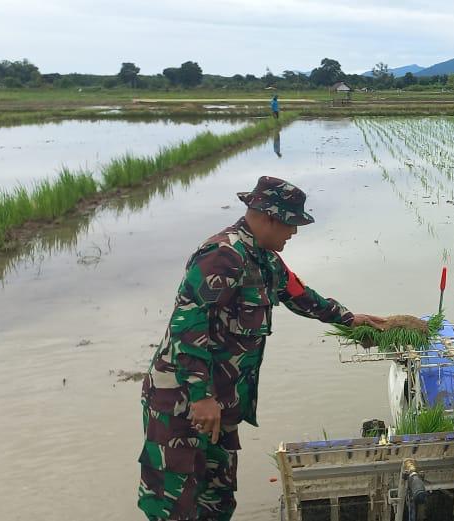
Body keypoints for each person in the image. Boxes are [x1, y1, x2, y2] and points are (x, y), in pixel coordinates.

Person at [137, 176, 387, 521]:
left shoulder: (265, 259)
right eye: (291, 224)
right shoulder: (222, 256)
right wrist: (200, 396)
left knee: (217, 499)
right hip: (182, 404)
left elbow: (299, 295)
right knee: (175, 505)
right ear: (269, 218)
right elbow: (187, 327)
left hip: (222, 402)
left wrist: (349, 319)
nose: (294, 233)